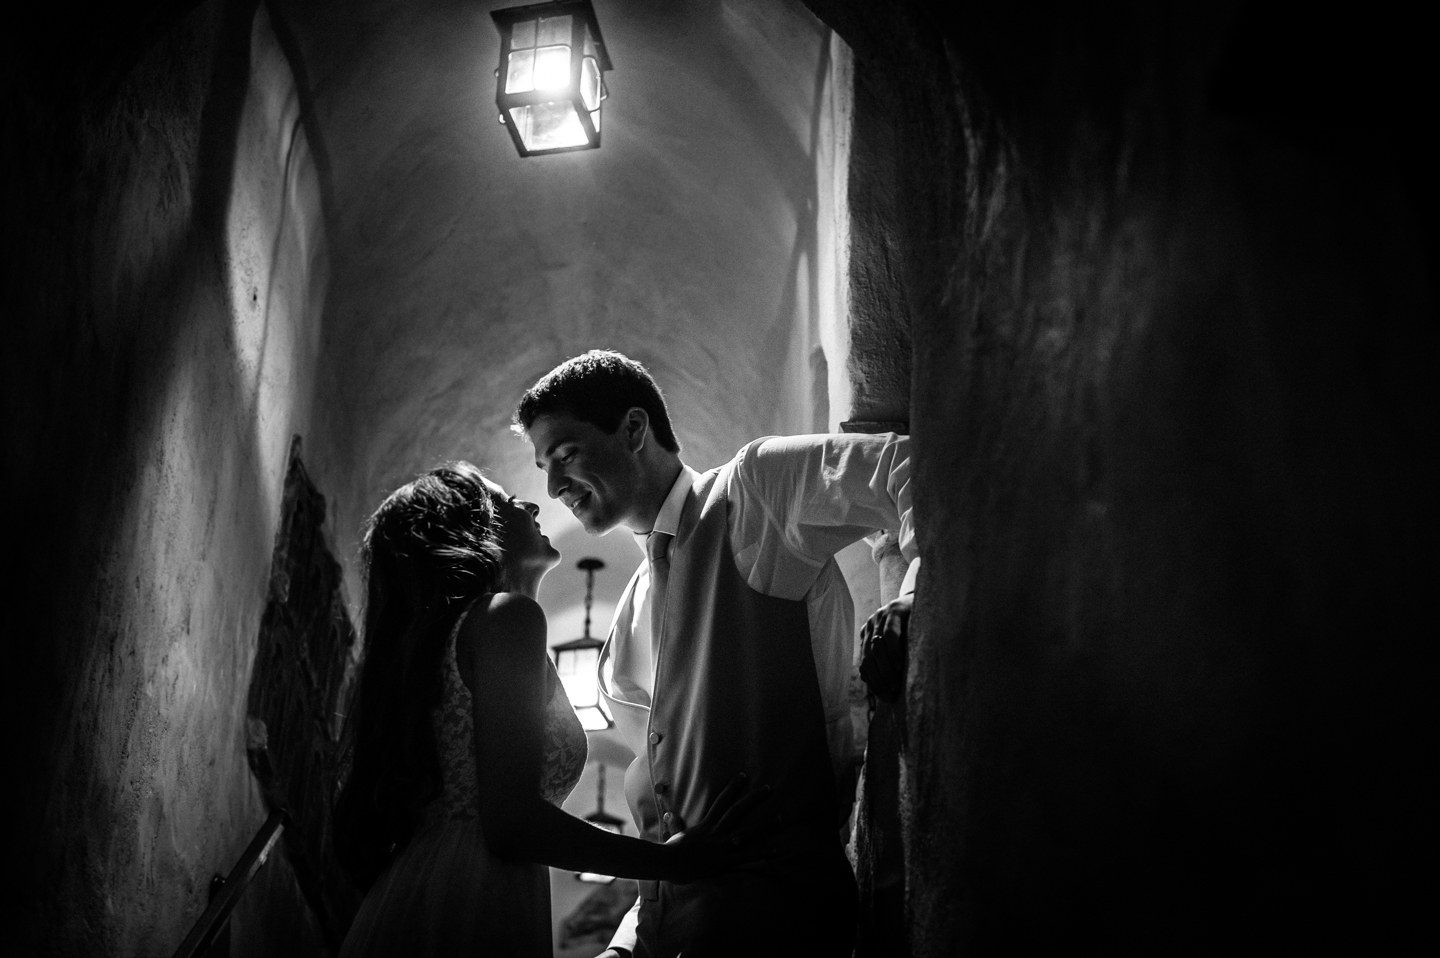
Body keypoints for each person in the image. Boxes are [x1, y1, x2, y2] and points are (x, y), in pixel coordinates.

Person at [514, 351, 919, 958]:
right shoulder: (628, 619)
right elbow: (668, 829)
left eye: (565, 453)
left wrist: (916, 599)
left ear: (632, 428)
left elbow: (906, 465)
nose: (552, 486)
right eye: (544, 466)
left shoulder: (753, 491)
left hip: (786, 927)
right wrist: (626, 949)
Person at [332, 462, 768, 957]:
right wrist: (671, 862)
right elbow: (513, 821)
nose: (531, 505)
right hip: (469, 897)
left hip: (426, 887)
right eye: (504, 501)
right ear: (474, 530)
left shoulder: (459, 637)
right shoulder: (505, 618)